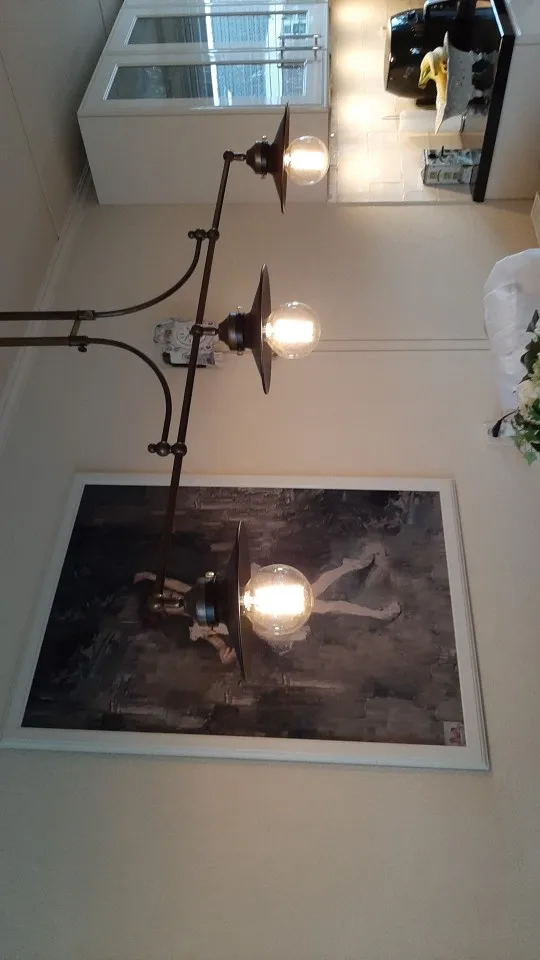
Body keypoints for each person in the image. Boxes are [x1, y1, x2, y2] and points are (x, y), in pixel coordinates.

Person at [134, 542, 401, 663]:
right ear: (167, 614)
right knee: (319, 600)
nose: (171, 599)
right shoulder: (198, 626)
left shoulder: (192, 593)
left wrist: (149, 576)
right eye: (167, 604)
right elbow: (220, 646)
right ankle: (360, 578)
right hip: (260, 617)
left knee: (319, 598)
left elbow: (172, 583)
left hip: (256, 596)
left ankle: (362, 583)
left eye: (167, 596)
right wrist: (225, 655)